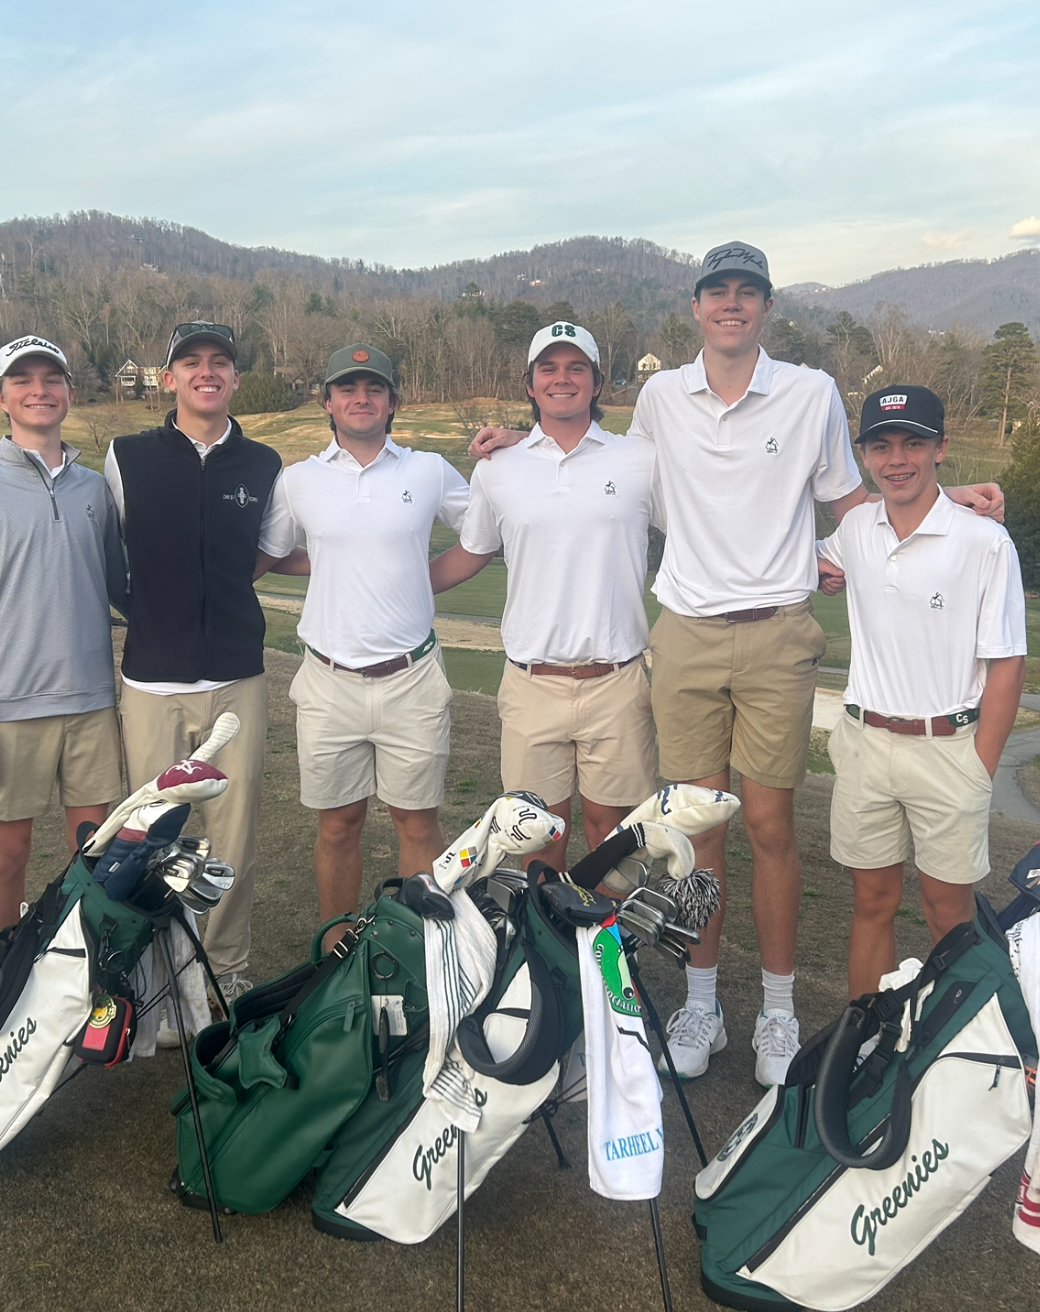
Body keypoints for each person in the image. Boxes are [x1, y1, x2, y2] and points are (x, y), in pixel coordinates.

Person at [470, 242, 1003, 1086]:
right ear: (696, 307)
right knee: (696, 831)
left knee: (769, 824)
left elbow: (850, 497)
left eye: (746, 292)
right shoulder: (659, 398)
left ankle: (778, 1011)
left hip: (777, 634)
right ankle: (702, 1003)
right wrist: (517, 442)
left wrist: (943, 497)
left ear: (766, 307)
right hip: (684, 634)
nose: (731, 303)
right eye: (716, 291)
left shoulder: (810, 393)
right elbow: (603, 460)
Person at [816, 385, 1026, 999]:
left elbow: (1007, 666)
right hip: (865, 743)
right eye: (881, 446)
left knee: (948, 913)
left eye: (913, 443)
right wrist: (824, 571)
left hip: (950, 748)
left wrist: (980, 768)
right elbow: (795, 555)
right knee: (871, 901)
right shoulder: (856, 527)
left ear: (941, 448)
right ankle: (865, 1039)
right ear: (865, 456)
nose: (897, 459)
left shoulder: (984, 541)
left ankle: (949, 1046)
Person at [256, 345, 468, 941]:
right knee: (337, 825)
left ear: (393, 402)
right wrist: (331, 562)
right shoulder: (299, 480)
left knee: (416, 824)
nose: (361, 398)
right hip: (329, 681)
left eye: (374, 388)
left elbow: (485, 531)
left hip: (412, 678)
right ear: (327, 402)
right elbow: (272, 552)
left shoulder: (428, 470)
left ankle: (417, 952)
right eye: (347, 389)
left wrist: (420, 579)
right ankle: (337, 952)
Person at [430, 323, 659, 870]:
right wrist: (392, 586)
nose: (562, 379)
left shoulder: (641, 460)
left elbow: (698, 527)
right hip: (532, 683)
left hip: (617, 681)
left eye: (576, 368)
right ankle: (543, 931)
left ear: (597, 383)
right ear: (530, 386)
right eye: (548, 369)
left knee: (614, 838)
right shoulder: (497, 467)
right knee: (537, 841)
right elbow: (472, 551)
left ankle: (609, 930)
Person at [106, 322, 281, 1012]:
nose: (206, 372)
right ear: (169, 378)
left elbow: (262, 553)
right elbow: (110, 558)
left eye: (220, 362)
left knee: (232, 837)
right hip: (152, 680)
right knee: (151, 835)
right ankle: (153, 973)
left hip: (237, 678)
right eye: (191, 362)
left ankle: (224, 967)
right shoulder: (126, 456)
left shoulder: (263, 464)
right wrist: (153, 609)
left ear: (235, 378)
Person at [0, 335, 127, 937]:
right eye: (22, 380)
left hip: (90, 704)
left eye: (51, 379)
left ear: (69, 393)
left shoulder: (94, 489)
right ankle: (3, 974)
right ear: (1, 398)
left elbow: (122, 586)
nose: (39, 390)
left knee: (92, 859)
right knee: (9, 856)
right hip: (7, 710)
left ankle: (88, 975)